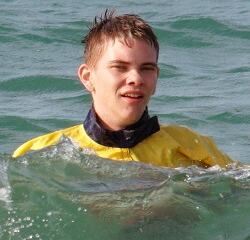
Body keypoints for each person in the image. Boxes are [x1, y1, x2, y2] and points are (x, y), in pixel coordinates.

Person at [12, 10, 236, 168]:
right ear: (88, 77)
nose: (136, 78)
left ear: (156, 78)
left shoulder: (190, 144)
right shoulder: (40, 153)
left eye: (146, 68)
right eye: (120, 67)